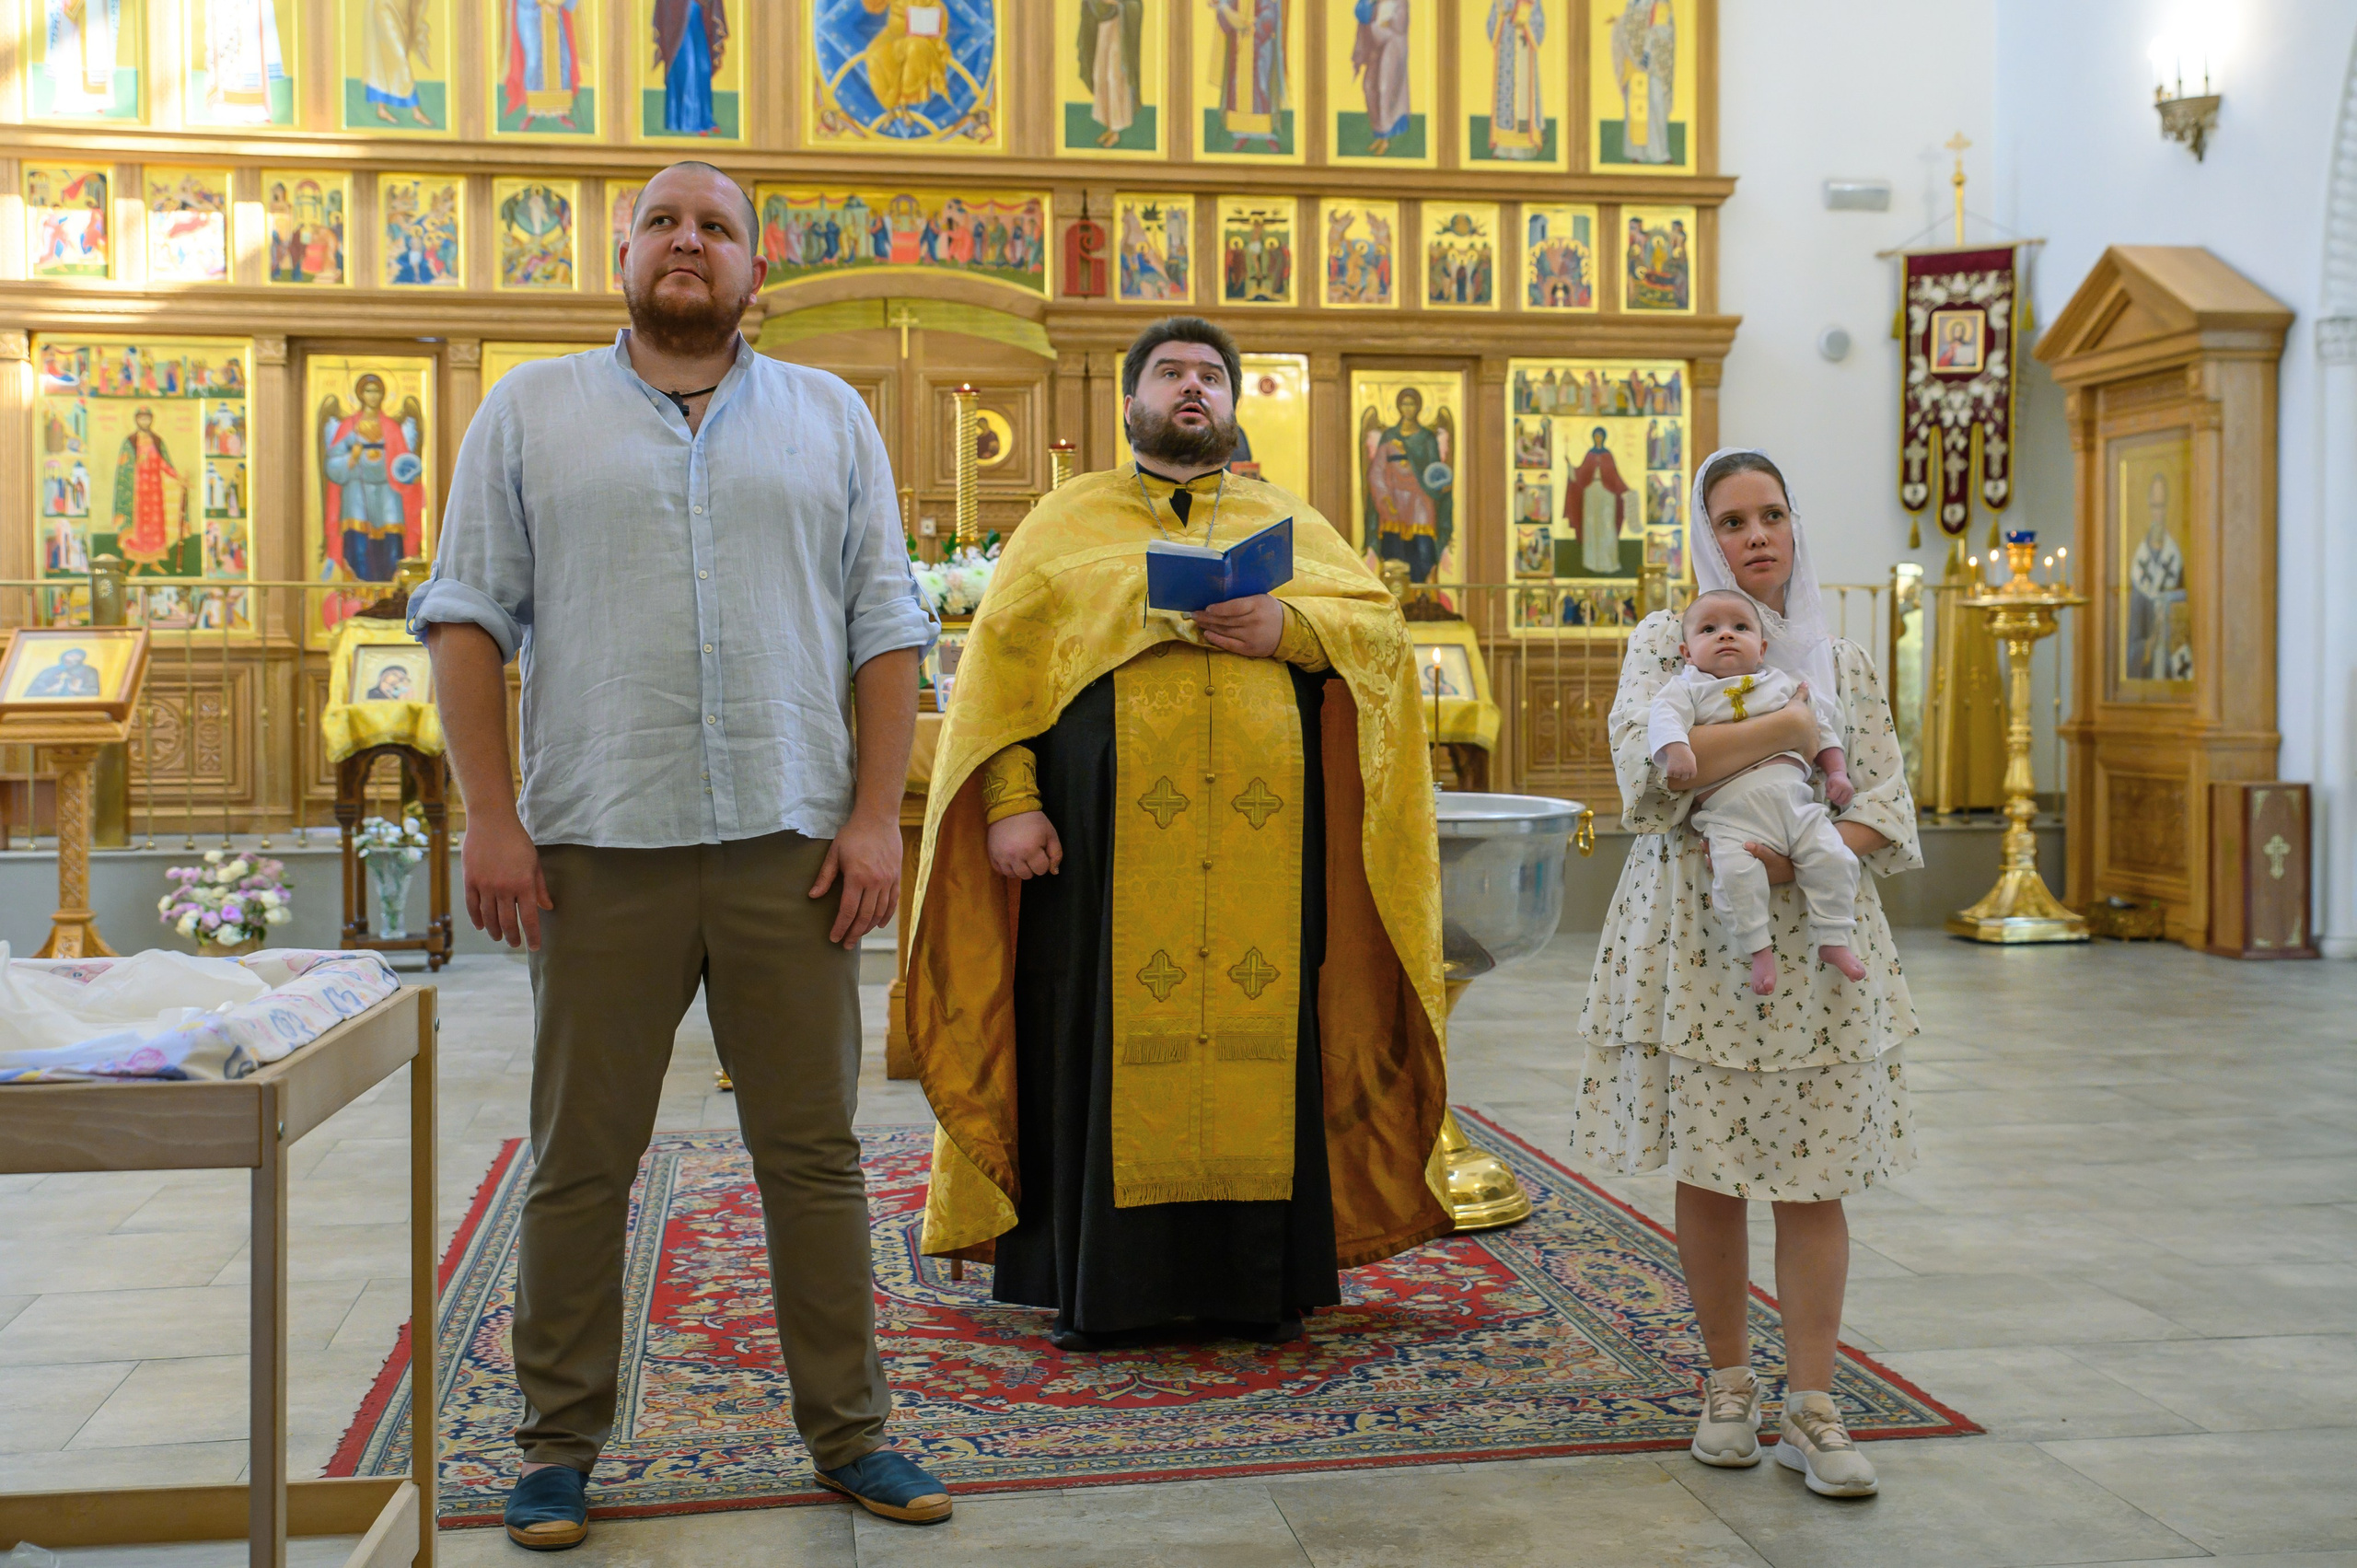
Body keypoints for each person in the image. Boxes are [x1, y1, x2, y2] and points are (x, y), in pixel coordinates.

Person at [409, 159, 949, 1548]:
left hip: (790, 844)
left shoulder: (830, 418)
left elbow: (887, 624)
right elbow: (468, 616)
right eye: (665, 223)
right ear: (623, 254)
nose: (689, 244)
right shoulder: (531, 411)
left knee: (815, 1154)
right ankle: (555, 1443)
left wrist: (879, 812)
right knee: (582, 1155)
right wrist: (490, 811)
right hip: (600, 843)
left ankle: (852, 1430)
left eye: (717, 227)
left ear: (756, 267)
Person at [905, 315, 1450, 1353]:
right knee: (1092, 1036)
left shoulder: (1289, 522)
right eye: (1170, 373)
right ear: (1130, 402)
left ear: (1234, 404)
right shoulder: (1068, 521)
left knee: (1260, 1037)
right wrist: (1012, 801)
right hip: (1101, 849)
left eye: (1210, 375)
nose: (1191, 388)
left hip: (1263, 849)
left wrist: (1287, 628)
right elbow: (1000, 677)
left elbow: (1374, 633)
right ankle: (1098, 1285)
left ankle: (1257, 1286)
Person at [1575, 447, 1922, 1500]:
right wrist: (1783, 728)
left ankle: (1814, 1400)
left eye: (1772, 514)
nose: (1756, 535)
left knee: (1815, 1175)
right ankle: (1728, 1385)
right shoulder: (1662, 644)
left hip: (1817, 949)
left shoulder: (1843, 662)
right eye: (1732, 520)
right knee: (1712, 1165)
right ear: (1702, 537)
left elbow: (1883, 808)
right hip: (1695, 947)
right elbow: (1648, 777)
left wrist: (1786, 850)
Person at [1648, 588, 1862, 996]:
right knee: (1735, 876)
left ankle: (1834, 939)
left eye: (1740, 628)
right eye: (1709, 629)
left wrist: (1836, 773)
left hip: (1796, 805)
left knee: (1834, 857)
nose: (1725, 635)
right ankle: (1758, 949)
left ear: (1761, 648)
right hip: (1731, 814)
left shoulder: (1782, 685)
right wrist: (1676, 750)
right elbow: (1665, 718)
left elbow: (1820, 730)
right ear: (1687, 652)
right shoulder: (1687, 688)